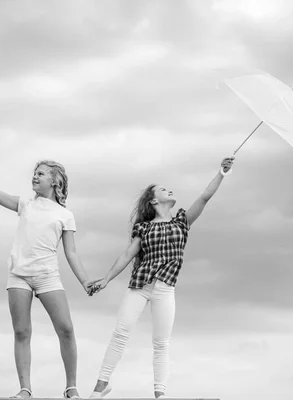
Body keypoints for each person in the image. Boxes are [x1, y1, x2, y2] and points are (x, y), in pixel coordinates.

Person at [88, 156, 235, 399]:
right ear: (154, 200)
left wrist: (222, 172)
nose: (170, 190)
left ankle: (160, 394)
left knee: (161, 343)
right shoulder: (144, 228)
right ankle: (101, 386)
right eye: (163, 189)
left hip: (165, 289)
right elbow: (127, 255)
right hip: (140, 286)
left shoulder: (182, 222)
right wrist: (106, 279)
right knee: (120, 333)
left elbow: (205, 197)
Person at [0, 153, 95, 399]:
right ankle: (25, 389)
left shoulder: (65, 215)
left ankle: (71, 387)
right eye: (35, 172)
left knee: (66, 330)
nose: (35, 176)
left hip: (47, 276)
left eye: (41, 173)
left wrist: (85, 281)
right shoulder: (25, 205)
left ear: (55, 182)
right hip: (18, 275)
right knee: (21, 332)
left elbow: (71, 253)